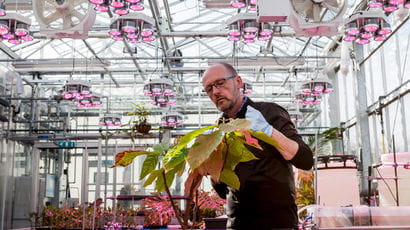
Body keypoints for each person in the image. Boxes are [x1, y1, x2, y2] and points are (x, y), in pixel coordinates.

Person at [202, 62, 314, 230]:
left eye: (220, 83)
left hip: (277, 223)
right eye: (209, 88)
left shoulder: (268, 113)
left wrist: (268, 131)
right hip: (237, 224)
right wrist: (212, 169)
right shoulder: (220, 127)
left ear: (238, 82)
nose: (216, 92)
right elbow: (224, 191)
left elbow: (305, 160)